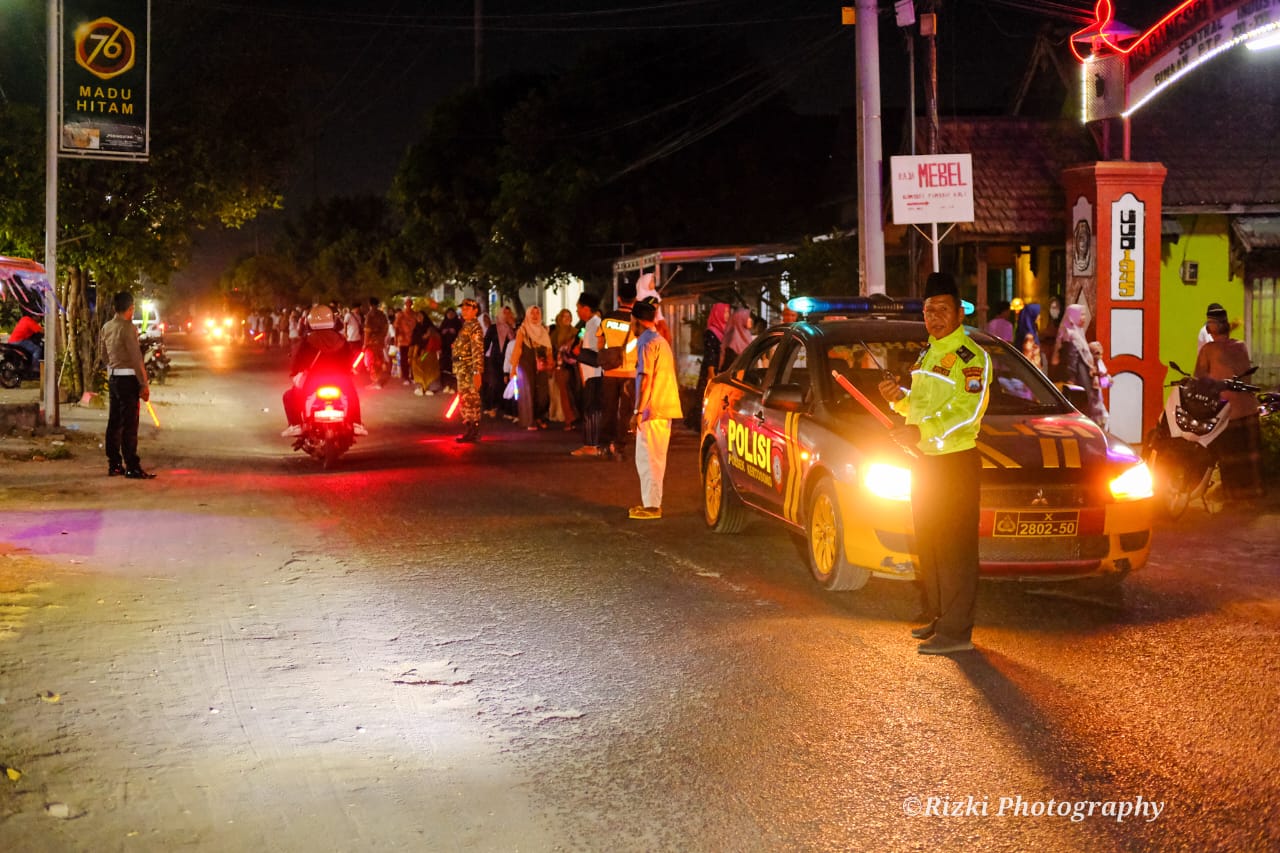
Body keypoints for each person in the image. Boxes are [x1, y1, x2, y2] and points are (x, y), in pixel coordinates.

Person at [877, 272, 990, 655]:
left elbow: (965, 411)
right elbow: (923, 406)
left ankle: (958, 632)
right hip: (925, 463)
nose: (934, 317)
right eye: (928, 311)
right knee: (931, 544)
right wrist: (897, 398)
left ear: (960, 313)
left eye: (942, 310)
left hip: (954, 464)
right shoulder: (929, 352)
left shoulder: (971, 357)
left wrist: (919, 433)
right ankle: (941, 617)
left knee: (955, 548)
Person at [1195, 303, 1264, 501]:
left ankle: (1233, 497)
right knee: (1249, 458)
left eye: (1209, 323)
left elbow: (1200, 377)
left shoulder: (1209, 350)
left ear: (1212, 327)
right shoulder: (1240, 345)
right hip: (1248, 408)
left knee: (1230, 457)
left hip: (1227, 412)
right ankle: (1252, 497)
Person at [628, 297, 683, 520]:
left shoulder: (646, 342)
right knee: (655, 458)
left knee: (648, 458)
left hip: (652, 409)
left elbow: (644, 378)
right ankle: (651, 503)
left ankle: (651, 506)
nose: (631, 326)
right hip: (664, 407)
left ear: (638, 321)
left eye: (632, 321)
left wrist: (636, 412)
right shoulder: (660, 340)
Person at [282, 304, 367, 438]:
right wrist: (350, 370)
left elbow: (297, 359)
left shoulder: (307, 341)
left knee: (289, 396)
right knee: (352, 395)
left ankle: (296, 425)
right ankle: (356, 423)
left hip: (312, 380)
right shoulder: (341, 339)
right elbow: (349, 359)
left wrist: (294, 372)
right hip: (340, 379)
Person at [99, 291, 156, 479]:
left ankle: (114, 464)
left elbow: (104, 356)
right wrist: (143, 383)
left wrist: (113, 367)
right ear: (130, 308)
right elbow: (136, 358)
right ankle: (132, 465)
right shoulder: (128, 328)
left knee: (114, 422)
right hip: (128, 379)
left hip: (114, 378)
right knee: (130, 424)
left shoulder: (107, 327)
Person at [598, 279, 637, 459]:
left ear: (619, 298)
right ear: (635, 300)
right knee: (625, 412)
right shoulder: (636, 320)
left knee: (609, 408)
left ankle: (604, 444)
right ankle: (619, 446)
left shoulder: (607, 318)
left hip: (610, 371)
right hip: (630, 372)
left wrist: (606, 356)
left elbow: (600, 341)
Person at [1053, 304, 1108, 428]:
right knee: (1084, 407)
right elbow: (1071, 360)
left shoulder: (1077, 332)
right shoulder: (1071, 335)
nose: (1083, 317)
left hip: (1082, 376)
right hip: (1079, 378)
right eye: (1081, 314)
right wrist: (1071, 380)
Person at [571, 292, 605, 456]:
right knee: (592, 409)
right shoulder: (591, 324)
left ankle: (592, 445)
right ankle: (592, 443)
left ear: (586, 308)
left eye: (578, 308)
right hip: (591, 375)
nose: (577, 312)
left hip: (594, 375)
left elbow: (596, 354)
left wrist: (579, 352)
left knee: (591, 410)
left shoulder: (594, 324)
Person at [510, 305, 553, 430]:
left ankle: (539, 417)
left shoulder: (544, 331)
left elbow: (548, 349)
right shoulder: (522, 330)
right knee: (528, 393)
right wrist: (513, 368)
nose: (535, 316)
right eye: (532, 313)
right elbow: (517, 349)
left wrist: (550, 362)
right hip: (526, 364)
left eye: (537, 313)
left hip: (541, 365)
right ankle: (530, 420)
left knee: (542, 394)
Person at [687, 302, 729, 429]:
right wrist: (711, 373)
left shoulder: (724, 331)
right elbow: (710, 353)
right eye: (725, 312)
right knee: (707, 397)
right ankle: (702, 424)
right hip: (711, 369)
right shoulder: (711, 332)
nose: (727, 315)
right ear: (718, 314)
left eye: (728, 312)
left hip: (719, 369)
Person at [453, 297, 485, 443]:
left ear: (475, 310)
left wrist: (477, 372)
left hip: (469, 369)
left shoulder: (475, 327)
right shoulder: (466, 325)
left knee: (472, 400)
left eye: (467, 309)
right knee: (465, 400)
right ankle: (469, 427)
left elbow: (477, 351)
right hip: (462, 369)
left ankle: (474, 429)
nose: (464, 311)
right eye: (463, 309)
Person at [549, 308, 580, 428]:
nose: (567, 319)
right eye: (564, 317)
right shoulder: (554, 333)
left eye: (569, 316)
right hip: (560, 366)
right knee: (564, 393)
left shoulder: (575, 332)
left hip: (573, 366)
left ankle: (573, 417)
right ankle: (569, 419)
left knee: (573, 391)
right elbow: (551, 349)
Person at [411, 311, 443, 395]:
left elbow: (436, 338)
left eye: (421, 316)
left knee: (430, 369)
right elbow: (414, 340)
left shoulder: (430, 328)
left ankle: (431, 388)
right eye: (417, 316)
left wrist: (428, 336)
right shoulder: (416, 328)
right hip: (417, 352)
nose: (419, 318)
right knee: (418, 368)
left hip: (428, 352)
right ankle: (420, 386)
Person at [363, 297, 390, 388]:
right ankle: (378, 380)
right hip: (380, 341)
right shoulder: (382, 314)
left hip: (371, 343)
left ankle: (376, 382)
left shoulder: (370, 315)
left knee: (371, 362)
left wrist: (365, 343)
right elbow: (386, 328)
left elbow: (367, 330)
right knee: (379, 360)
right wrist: (382, 337)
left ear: (370, 304)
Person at [394, 297, 418, 385]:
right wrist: (397, 339)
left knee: (413, 359)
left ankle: (413, 376)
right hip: (403, 340)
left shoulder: (415, 314)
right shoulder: (401, 315)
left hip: (413, 340)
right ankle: (406, 377)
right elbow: (396, 327)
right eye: (407, 303)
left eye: (410, 303)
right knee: (404, 359)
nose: (409, 304)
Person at [439, 307, 462, 393]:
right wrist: (443, 332)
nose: (450, 315)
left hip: (456, 349)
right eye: (448, 314)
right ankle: (446, 385)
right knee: (445, 367)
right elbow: (439, 335)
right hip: (445, 350)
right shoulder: (443, 324)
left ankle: (454, 386)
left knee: (455, 367)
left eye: (452, 314)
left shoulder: (458, 324)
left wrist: (455, 332)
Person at [1014, 302, 1043, 371]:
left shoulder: (1028, 331)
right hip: (1031, 372)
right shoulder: (1029, 336)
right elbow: (1027, 357)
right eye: (1038, 314)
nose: (1039, 317)